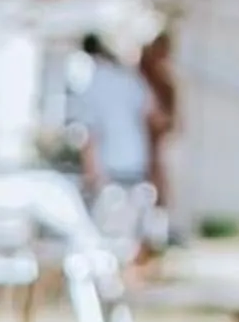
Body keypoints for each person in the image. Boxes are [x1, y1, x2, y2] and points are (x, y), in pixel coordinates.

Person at [69, 35, 154, 202]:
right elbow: (149, 114)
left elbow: (91, 134)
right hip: (137, 162)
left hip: (109, 167)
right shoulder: (132, 80)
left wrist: (91, 174)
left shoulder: (94, 85)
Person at [137, 34, 180, 216]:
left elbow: (172, 119)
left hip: (158, 142)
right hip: (141, 141)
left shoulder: (167, 83)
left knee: (159, 180)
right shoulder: (143, 75)